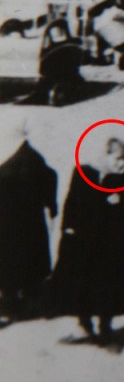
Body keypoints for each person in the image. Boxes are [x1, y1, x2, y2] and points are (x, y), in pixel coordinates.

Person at [53, 138, 124, 345]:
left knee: (110, 286)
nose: (121, 163)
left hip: (114, 243)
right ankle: (85, 324)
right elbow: (71, 202)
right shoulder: (84, 173)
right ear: (106, 155)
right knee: (83, 285)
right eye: (117, 158)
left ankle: (106, 328)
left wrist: (122, 198)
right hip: (84, 241)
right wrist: (67, 227)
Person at [0, 122, 57, 324]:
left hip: (14, 223)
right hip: (27, 223)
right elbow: (51, 177)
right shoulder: (30, 155)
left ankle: (15, 302)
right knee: (25, 263)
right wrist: (51, 204)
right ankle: (23, 296)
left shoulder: (19, 158)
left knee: (13, 264)